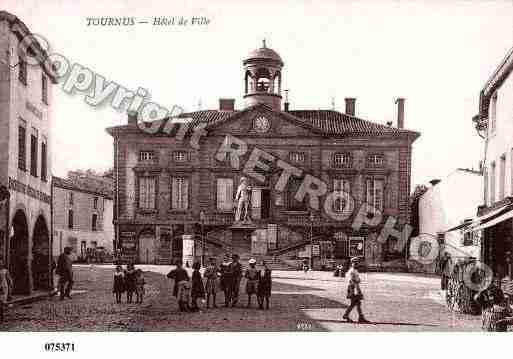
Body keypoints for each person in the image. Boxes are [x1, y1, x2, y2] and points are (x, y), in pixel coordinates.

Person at [342, 257, 369, 323]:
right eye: (355, 263)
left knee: (357, 303)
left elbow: (358, 280)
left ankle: (359, 317)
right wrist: (358, 290)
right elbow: (353, 281)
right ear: (352, 263)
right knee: (354, 303)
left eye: (357, 263)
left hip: (354, 287)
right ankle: (347, 315)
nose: (356, 264)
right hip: (352, 288)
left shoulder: (355, 270)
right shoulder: (352, 271)